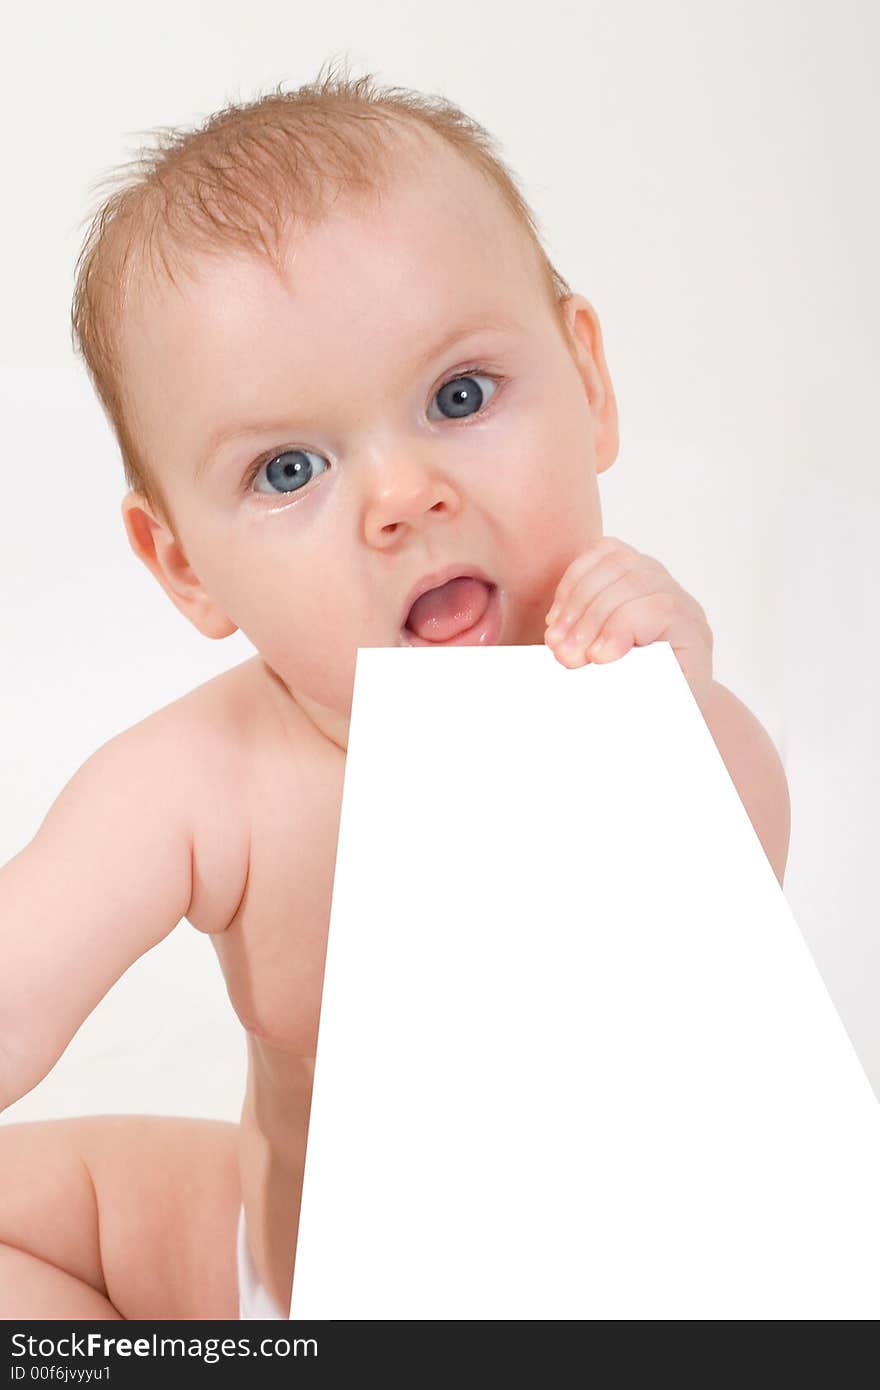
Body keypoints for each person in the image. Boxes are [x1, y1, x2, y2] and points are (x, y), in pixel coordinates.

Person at [0, 61, 790, 1320]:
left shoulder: (647, 717)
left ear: (588, 385)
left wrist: (664, 726)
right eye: (289, 467)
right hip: (280, 1283)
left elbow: (732, 971)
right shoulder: (205, 781)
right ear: (185, 565)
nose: (401, 496)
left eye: (457, 397)